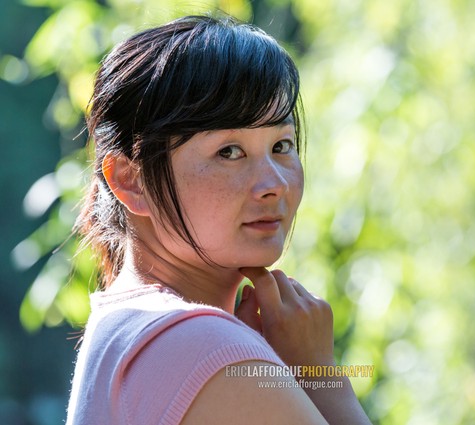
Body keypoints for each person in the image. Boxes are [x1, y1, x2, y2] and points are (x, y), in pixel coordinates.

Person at [66, 14, 371, 425]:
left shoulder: (123, 332)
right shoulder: (205, 348)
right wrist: (319, 375)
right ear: (130, 180)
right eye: (229, 151)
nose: (274, 184)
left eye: (282, 144)